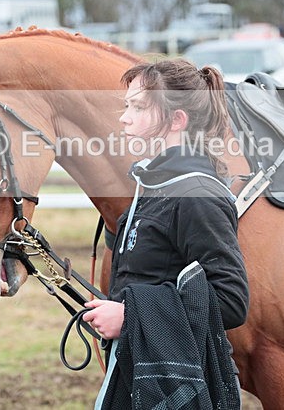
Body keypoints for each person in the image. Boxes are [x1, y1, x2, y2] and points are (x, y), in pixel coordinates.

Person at [84, 58, 249, 409]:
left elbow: (231, 302)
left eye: (139, 107)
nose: (124, 118)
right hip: (142, 373)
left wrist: (129, 316)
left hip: (180, 389)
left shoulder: (197, 196)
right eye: (127, 105)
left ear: (177, 120)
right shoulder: (152, 188)